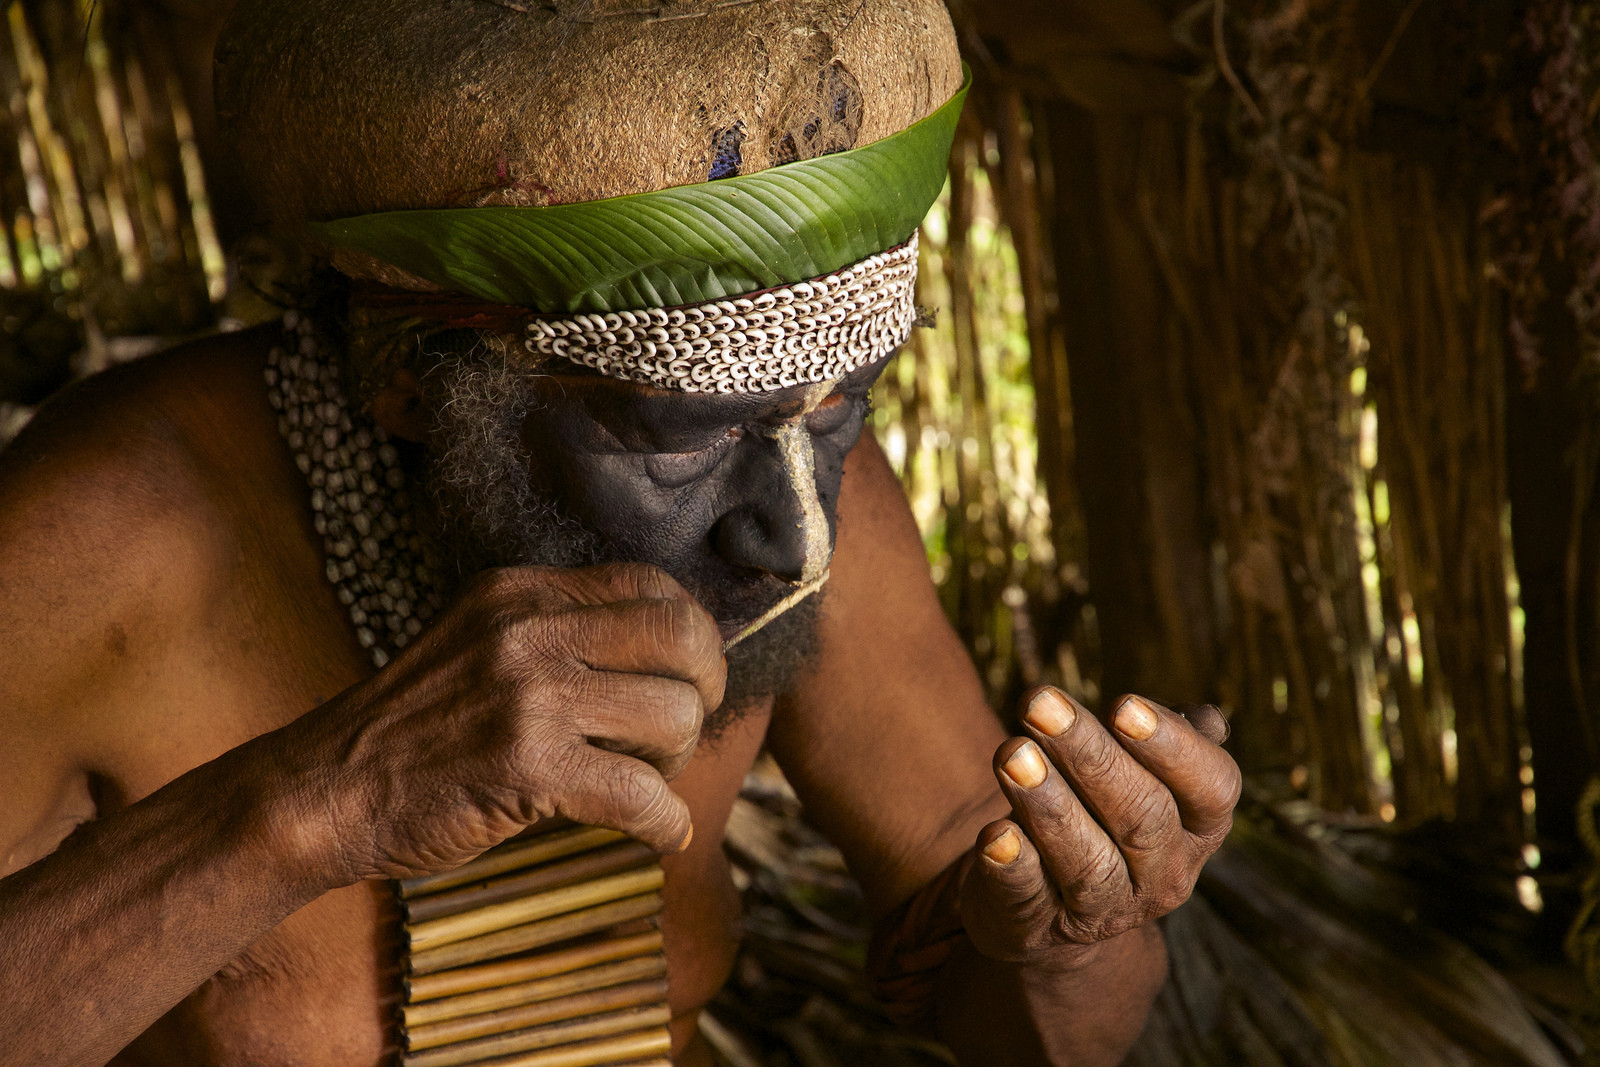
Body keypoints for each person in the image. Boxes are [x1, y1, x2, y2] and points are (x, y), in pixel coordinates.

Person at [0, 1, 1241, 1063]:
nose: (796, 541)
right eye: (680, 436)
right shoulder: (95, 544)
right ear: (411, 377)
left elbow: (1015, 997)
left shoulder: (788, 494)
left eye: (836, 408)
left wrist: (1070, 939)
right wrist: (316, 805)